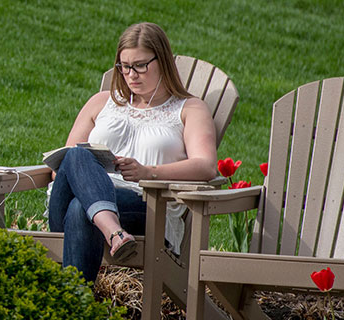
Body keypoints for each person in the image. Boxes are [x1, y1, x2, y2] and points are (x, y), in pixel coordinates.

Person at [47, 22, 218, 283]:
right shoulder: (100, 102)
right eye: (124, 66)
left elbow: (205, 166)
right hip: (72, 199)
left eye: (140, 65)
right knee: (76, 155)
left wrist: (148, 172)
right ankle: (115, 232)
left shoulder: (189, 109)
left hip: (145, 205)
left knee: (81, 209)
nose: (131, 75)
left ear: (162, 61)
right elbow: (62, 163)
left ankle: (74, 304)